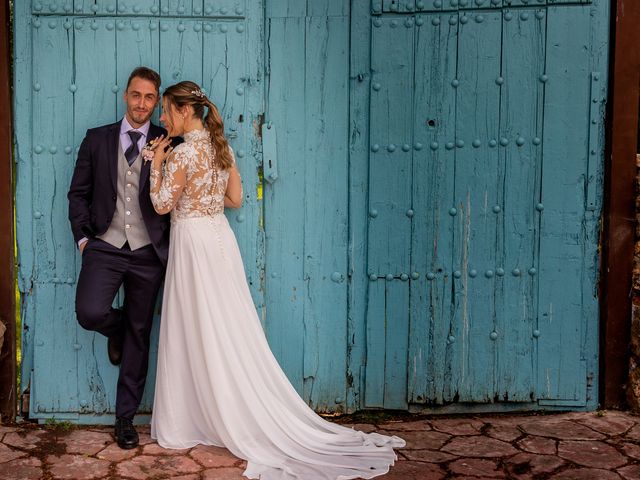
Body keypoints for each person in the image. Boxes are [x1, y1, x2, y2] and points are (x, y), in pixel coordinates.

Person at [148, 81, 405, 479]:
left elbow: (163, 204)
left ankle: (194, 416)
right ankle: (222, 406)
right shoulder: (221, 148)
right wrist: (205, 198)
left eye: (166, 109)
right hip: (220, 243)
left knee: (195, 327)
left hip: (193, 245)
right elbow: (235, 200)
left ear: (184, 111)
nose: (162, 118)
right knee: (227, 328)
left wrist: (156, 165)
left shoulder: (181, 154)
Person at [68, 67, 169, 450]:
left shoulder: (166, 140)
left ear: (156, 101)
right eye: (136, 95)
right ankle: (117, 326)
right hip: (106, 245)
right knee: (89, 312)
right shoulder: (97, 139)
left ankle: (124, 418)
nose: (141, 104)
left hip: (148, 252)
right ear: (125, 95)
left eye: (149, 97)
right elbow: (77, 194)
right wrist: (83, 241)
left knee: (140, 336)